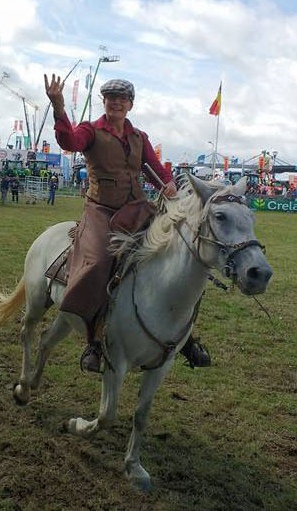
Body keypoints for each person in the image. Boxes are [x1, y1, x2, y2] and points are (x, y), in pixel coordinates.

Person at [45, 74, 210, 373]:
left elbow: (154, 169)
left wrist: (168, 185)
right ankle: (94, 340)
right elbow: (68, 141)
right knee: (99, 264)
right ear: (104, 102)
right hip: (101, 211)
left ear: (130, 105)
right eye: (110, 98)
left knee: (173, 252)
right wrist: (58, 107)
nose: (116, 102)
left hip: (136, 209)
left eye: (122, 98)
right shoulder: (90, 131)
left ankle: (184, 337)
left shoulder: (139, 137)